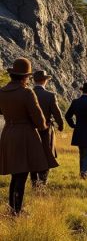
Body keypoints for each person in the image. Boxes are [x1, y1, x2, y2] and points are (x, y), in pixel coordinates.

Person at [0, 58, 55, 215]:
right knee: (22, 174)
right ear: (25, 76)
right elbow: (38, 119)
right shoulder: (27, 92)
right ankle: (16, 211)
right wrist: (44, 128)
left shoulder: (2, 91)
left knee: (14, 174)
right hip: (24, 135)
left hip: (8, 133)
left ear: (12, 75)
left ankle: (13, 208)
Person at [30, 70, 64, 187]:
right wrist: (61, 124)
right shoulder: (50, 96)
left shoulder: (28, 93)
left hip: (30, 130)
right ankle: (43, 182)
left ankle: (34, 182)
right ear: (45, 81)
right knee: (47, 155)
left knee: (32, 155)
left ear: (34, 80)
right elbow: (57, 113)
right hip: (46, 130)